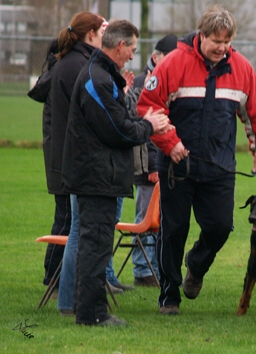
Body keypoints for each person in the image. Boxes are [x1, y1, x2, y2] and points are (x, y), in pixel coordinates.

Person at [136, 4, 256, 315]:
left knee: (221, 227)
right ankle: (170, 295)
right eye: (216, 41)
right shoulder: (172, 64)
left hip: (219, 166)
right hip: (176, 166)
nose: (222, 48)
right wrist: (169, 144)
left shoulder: (241, 69)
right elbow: (149, 108)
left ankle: (195, 266)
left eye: (227, 42)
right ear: (202, 35)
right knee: (173, 231)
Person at [61, 19, 169, 327]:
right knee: (95, 247)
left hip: (101, 176)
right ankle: (92, 315)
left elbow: (117, 118)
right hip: (95, 178)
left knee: (97, 246)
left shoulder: (105, 77)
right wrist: (150, 126)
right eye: (133, 48)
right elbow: (117, 131)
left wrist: (141, 118)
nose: (134, 55)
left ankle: (94, 311)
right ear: (120, 46)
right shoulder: (96, 79)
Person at [52, 15, 132, 318]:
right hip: (91, 171)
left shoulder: (85, 68)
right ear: (92, 35)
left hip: (86, 167)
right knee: (87, 238)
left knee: (86, 236)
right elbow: (113, 127)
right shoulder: (89, 72)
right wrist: (146, 126)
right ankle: (80, 307)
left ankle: (79, 305)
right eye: (102, 31)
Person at [125, 34, 178, 287]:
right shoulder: (140, 84)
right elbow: (145, 128)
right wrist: (156, 164)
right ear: (156, 57)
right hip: (148, 166)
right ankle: (142, 270)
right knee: (145, 218)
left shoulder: (168, 81)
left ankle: (155, 268)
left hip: (161, 163)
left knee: (160, 220)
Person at [34, 39, 68, 295]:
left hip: (59, 159)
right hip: (62, 161)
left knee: (64, 217)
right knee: (65, 218)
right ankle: (53, 276)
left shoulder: (54, 74)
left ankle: (54, 275)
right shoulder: (59, 77)